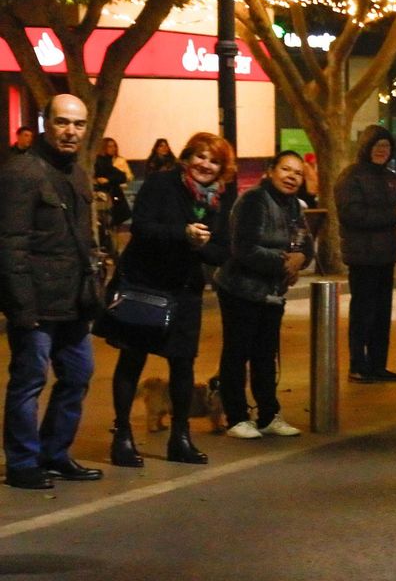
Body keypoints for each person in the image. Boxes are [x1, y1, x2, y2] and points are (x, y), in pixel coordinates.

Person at [97, 131, 235, 466]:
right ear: (187, 157)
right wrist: (182, 234)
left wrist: (203, 246)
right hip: (145, 284)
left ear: (223, 169)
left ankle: (180, 438)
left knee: (183, 363)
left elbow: (222, 250)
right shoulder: (162, 183)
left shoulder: (220, 198)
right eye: (200, 156)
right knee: (132, 358)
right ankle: (122, 436)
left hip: (184, 290)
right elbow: (141, 228)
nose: (206, 164)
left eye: (214, 161)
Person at [1, 95, 103, 489]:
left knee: (78, 374)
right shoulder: (21, 172)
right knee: (29, 381)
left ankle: (54, 454)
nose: (70, 131)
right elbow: (10, 245)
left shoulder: (77, 173)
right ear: (46, 123)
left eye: (78, 124)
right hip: (37, 302)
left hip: (74, 300)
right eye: (62, 122)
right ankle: (23, 463)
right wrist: (22, 307)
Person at [214, 151, 309, 439]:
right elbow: (244, 249)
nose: (292, 177)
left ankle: (268, 415)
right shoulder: (254, 200)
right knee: (237, 352)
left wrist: (300, 258)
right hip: (240, 288)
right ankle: (235, 417)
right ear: (271, 170)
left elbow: (306, 243)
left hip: (272, 292)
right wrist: (284, 262)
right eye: (286, 169)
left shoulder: (294, 206)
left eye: (298, 173)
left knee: (266, 354)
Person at [335, 125, 396, 382]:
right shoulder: (351, 177)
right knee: (363, 314)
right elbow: (353, 215)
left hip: (386, 255)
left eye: (386, 146)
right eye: (377, 146)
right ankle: (358, 366)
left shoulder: (390, 177)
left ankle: (378, 365)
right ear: (366, 147)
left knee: (382, 315)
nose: (382, 151)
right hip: (362, 256)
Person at [93, 136, 133, 254]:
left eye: (114, 146)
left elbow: (123, 176)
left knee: (112, 226)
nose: (113, 148)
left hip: (113, 196)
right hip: (103, 197)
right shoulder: (100, 161)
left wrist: (108, 179)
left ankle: (114, 251)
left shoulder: (111, 161)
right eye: (110, 146)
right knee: (106, 226)